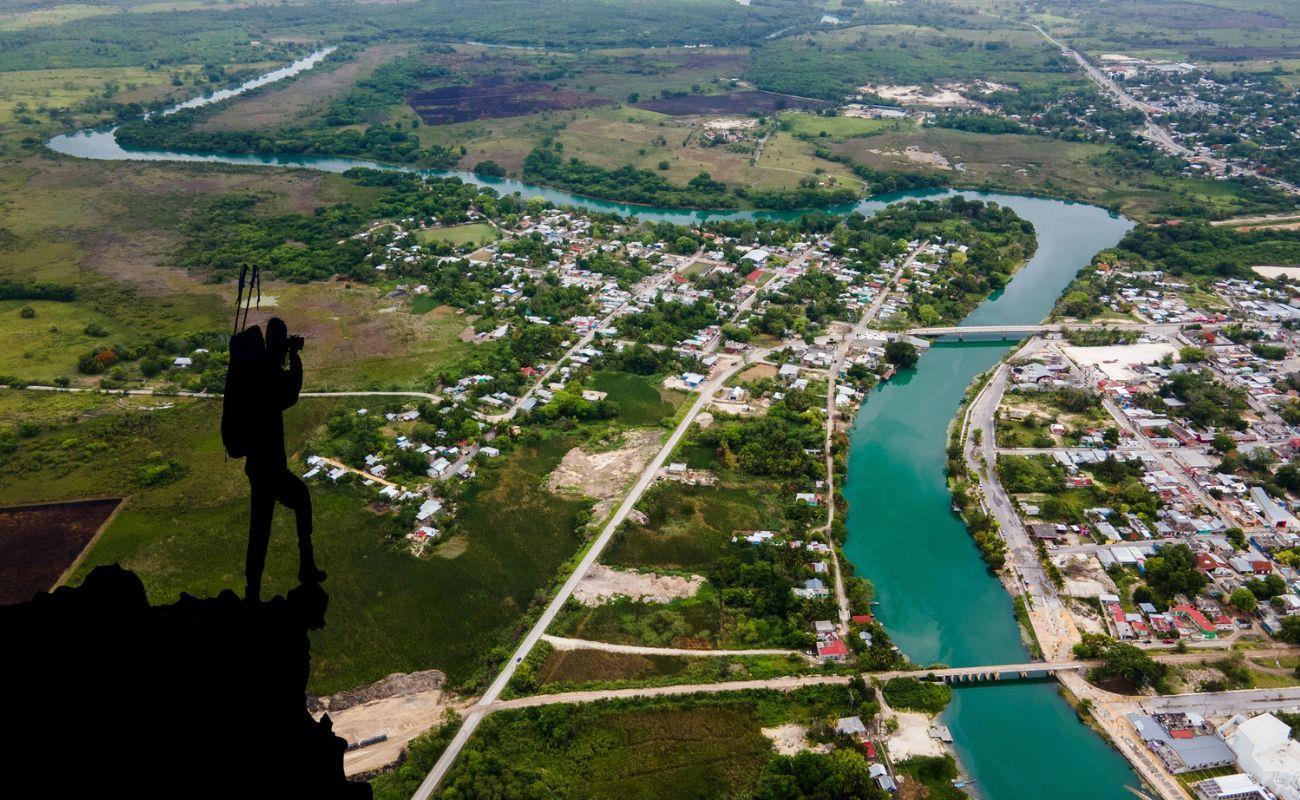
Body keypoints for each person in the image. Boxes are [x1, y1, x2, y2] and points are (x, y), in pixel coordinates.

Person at [243, 317, 324, 603]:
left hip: (259, 466)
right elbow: (290, 393)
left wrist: (286, 355)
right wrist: (294, 357)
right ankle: (305, 567)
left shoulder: (256, 371)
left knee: (260, 529)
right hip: (270, 468)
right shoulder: (266, 373)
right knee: (299, 501)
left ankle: (252, 589)